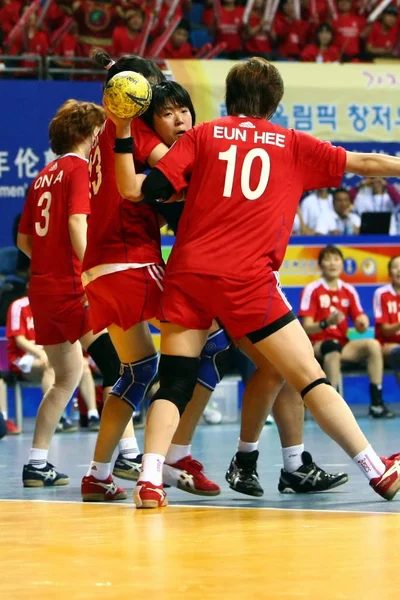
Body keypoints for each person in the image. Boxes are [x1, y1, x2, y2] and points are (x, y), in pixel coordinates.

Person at [109, 57, 400, 508]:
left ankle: (149, 480)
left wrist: (123, 128)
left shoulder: (203, 135)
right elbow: (365, 162)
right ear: (276, 103)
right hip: (247, 280)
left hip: (188, 274)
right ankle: (375, 470)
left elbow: (135, 191)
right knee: (310, 378)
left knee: (175, 382)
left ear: (228, 100)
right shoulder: (292, 143)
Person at [17, 99, 121, 488]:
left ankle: (36, 463)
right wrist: (91, 271)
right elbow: (79, 222)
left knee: (66, 378)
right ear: (86, 135)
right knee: (118, 371)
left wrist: (53, 258)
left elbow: (25, 239)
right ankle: (127, 457)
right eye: (98, 134)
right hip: (73, 289)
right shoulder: (78, 169)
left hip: (43, 289)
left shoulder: (43, 175)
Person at [299, 245, 394, 419]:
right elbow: (306, 327)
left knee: (372, 345)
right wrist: (326, 322)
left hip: (343, 344)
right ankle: (332, 408)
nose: (332, 263)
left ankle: (376, 404)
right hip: (317, 345)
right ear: (320, 265)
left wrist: (362, 322)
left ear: (342, 264)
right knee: (332, 348)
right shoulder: (312, 289)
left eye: (336, 259)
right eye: (327, 259)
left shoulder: (348, 290)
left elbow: (360, 321)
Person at [373, 255, 400, 388]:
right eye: (395, 267)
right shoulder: (382, 293)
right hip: (385, 345)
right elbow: (385, 330)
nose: (399, 270)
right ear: (390, 273)